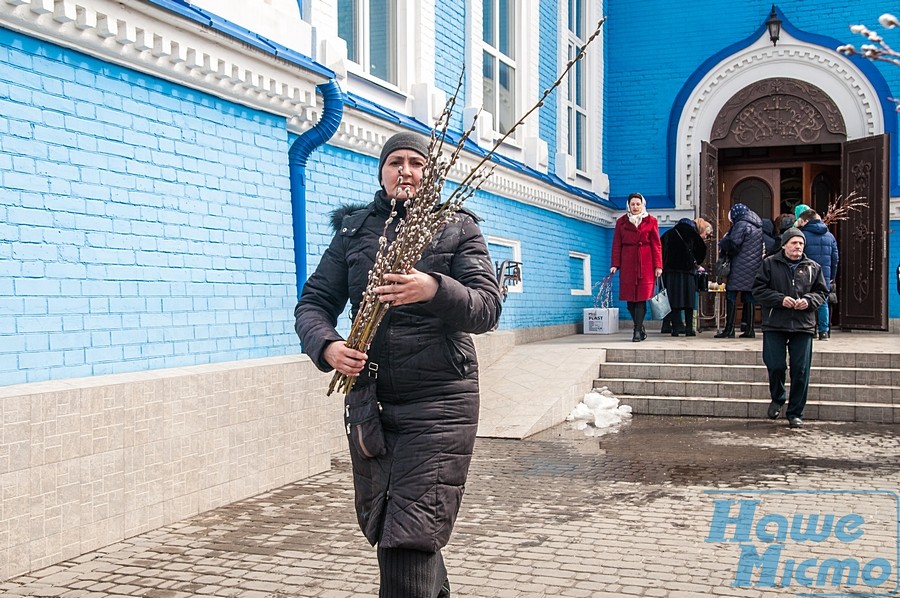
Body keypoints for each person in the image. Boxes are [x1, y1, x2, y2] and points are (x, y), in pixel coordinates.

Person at [294, 131, 503, 598]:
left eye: (415, 162)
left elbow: (487, 307)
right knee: (396, 524)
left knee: (406, 539)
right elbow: (313, 303)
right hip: (372, 406)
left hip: (440, 403)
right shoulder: (354, 230)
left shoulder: (456, 227)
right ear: (382, 171)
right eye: (395, 162)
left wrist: (432, 288)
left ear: (428, 174)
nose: (405, 170)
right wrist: (328, 347)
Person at [753, 228, 828, 428]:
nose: (798, 247)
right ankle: (778, 397)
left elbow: (822, 292)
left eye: (801, 243)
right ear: (784, 245)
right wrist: (780, 299)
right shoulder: (769, 264)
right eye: (794, 243)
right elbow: (758, 290)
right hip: (775, 322)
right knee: (775, 365)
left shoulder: (813, 267)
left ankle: (795, 412)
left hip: (802, 324)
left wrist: (809, 300)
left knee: (801, 370)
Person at [610, 192, 663, 342]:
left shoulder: (651, 221)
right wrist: (615, 264)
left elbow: (656, 245)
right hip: (628, 263)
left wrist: (658, 265)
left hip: (646, 263)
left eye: (638, 204)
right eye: (632, 204)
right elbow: (616, 245)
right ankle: (639, 326)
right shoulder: (621, 222)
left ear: (642, 205)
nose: (635, 207)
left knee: (641, 298)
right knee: (630, 301)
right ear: (628, 205)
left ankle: (637, 331)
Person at [716, 203, 763, 338]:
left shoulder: (741, 224)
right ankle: (750, 329)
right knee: (749, 296)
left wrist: (724, 242)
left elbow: (733, 245)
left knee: (731, 294)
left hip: (739, 265)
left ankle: (729, 329)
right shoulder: (757, 225)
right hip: (753, 266)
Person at [661, 217, 711, 336]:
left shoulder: (669, 233)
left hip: (671, 273)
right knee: (689, 301)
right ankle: (689, 329)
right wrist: (695, 263)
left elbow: (660, 250)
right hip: (688, 273)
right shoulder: (693, 234)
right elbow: (702, 250)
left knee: (674, 301)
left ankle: (675, 330)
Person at [796, 209, 839, 340]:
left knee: (806, 299)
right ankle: (824, 331)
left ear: (806, 221)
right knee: (823, 301)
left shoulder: (802, 235)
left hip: (806, 272)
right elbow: (835, 258)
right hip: (824, 273)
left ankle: (810, 328)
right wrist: (832, 276)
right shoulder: (830, 236)